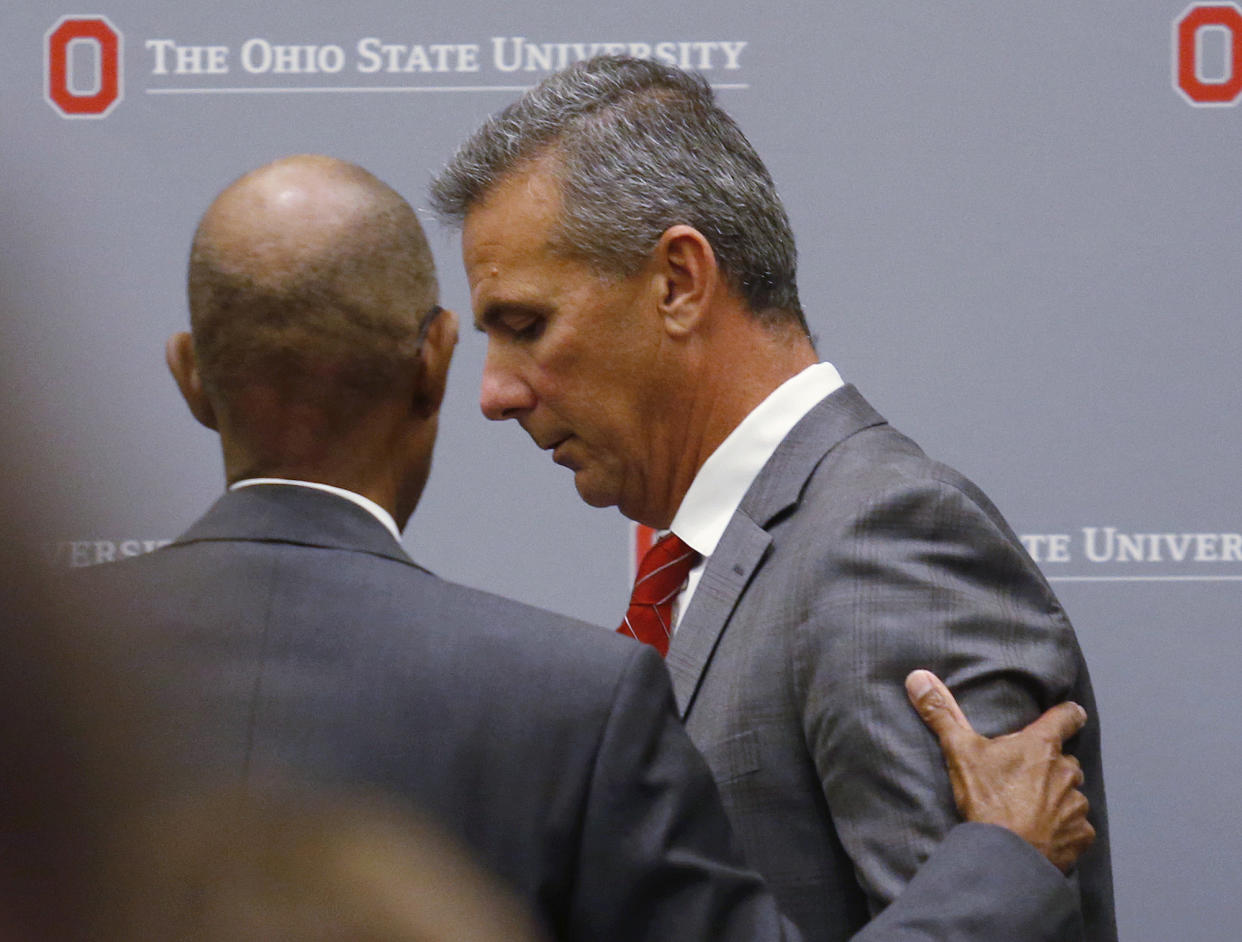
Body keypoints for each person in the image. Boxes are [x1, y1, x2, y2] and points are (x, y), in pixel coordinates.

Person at [74, 154, 1088, 942]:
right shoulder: (566, 706)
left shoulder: (40, 677)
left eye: (526, 324)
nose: (497, 391)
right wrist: (1001, 861)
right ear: (431, 361)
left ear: (191, 377)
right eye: (487, 336)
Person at [431, 56, 1116, 942]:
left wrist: (1005, 863)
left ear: (678, 281)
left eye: (526, 326)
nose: (494, 392)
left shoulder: (888, 543)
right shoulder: (736, 560)